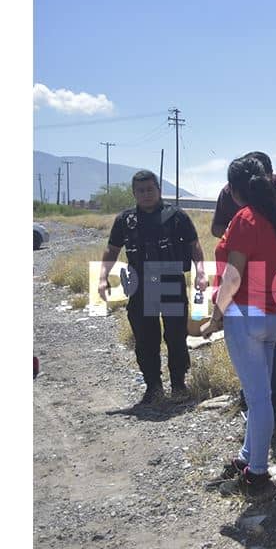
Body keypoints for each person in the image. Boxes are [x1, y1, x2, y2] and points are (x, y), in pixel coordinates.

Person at [202, 156, 276, 496]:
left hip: (245, 316)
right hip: (271, 318)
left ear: (232, 189)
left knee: (257, 401)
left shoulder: (244, 219)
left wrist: (216, 315)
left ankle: (257, 473)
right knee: (263, 397)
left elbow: (233, 274)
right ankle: (247, 457)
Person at [211, 151, 276, 421]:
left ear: (271, 176)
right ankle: (255, 396)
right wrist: (243, 238)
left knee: (271, 335)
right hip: (244, 268)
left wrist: (268, 234)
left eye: (264, 177)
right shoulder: (231, 196)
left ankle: (270, 398)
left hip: (275, 270)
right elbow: (216, 227)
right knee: (257, 335)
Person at [98, 170, 209, 405]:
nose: (146, 194)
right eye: (141, 190)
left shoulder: (176, 216)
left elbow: (194, 245)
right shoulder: (125, 221)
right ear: (134, 193)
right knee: (145, 338)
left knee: (176, 336)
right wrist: (102, 277)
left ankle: (179, 385)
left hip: (170, 280)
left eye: (150, 189)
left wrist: (201, 271)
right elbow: (112, 249)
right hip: (139, 283)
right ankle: (153, 387)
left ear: (158, 189)